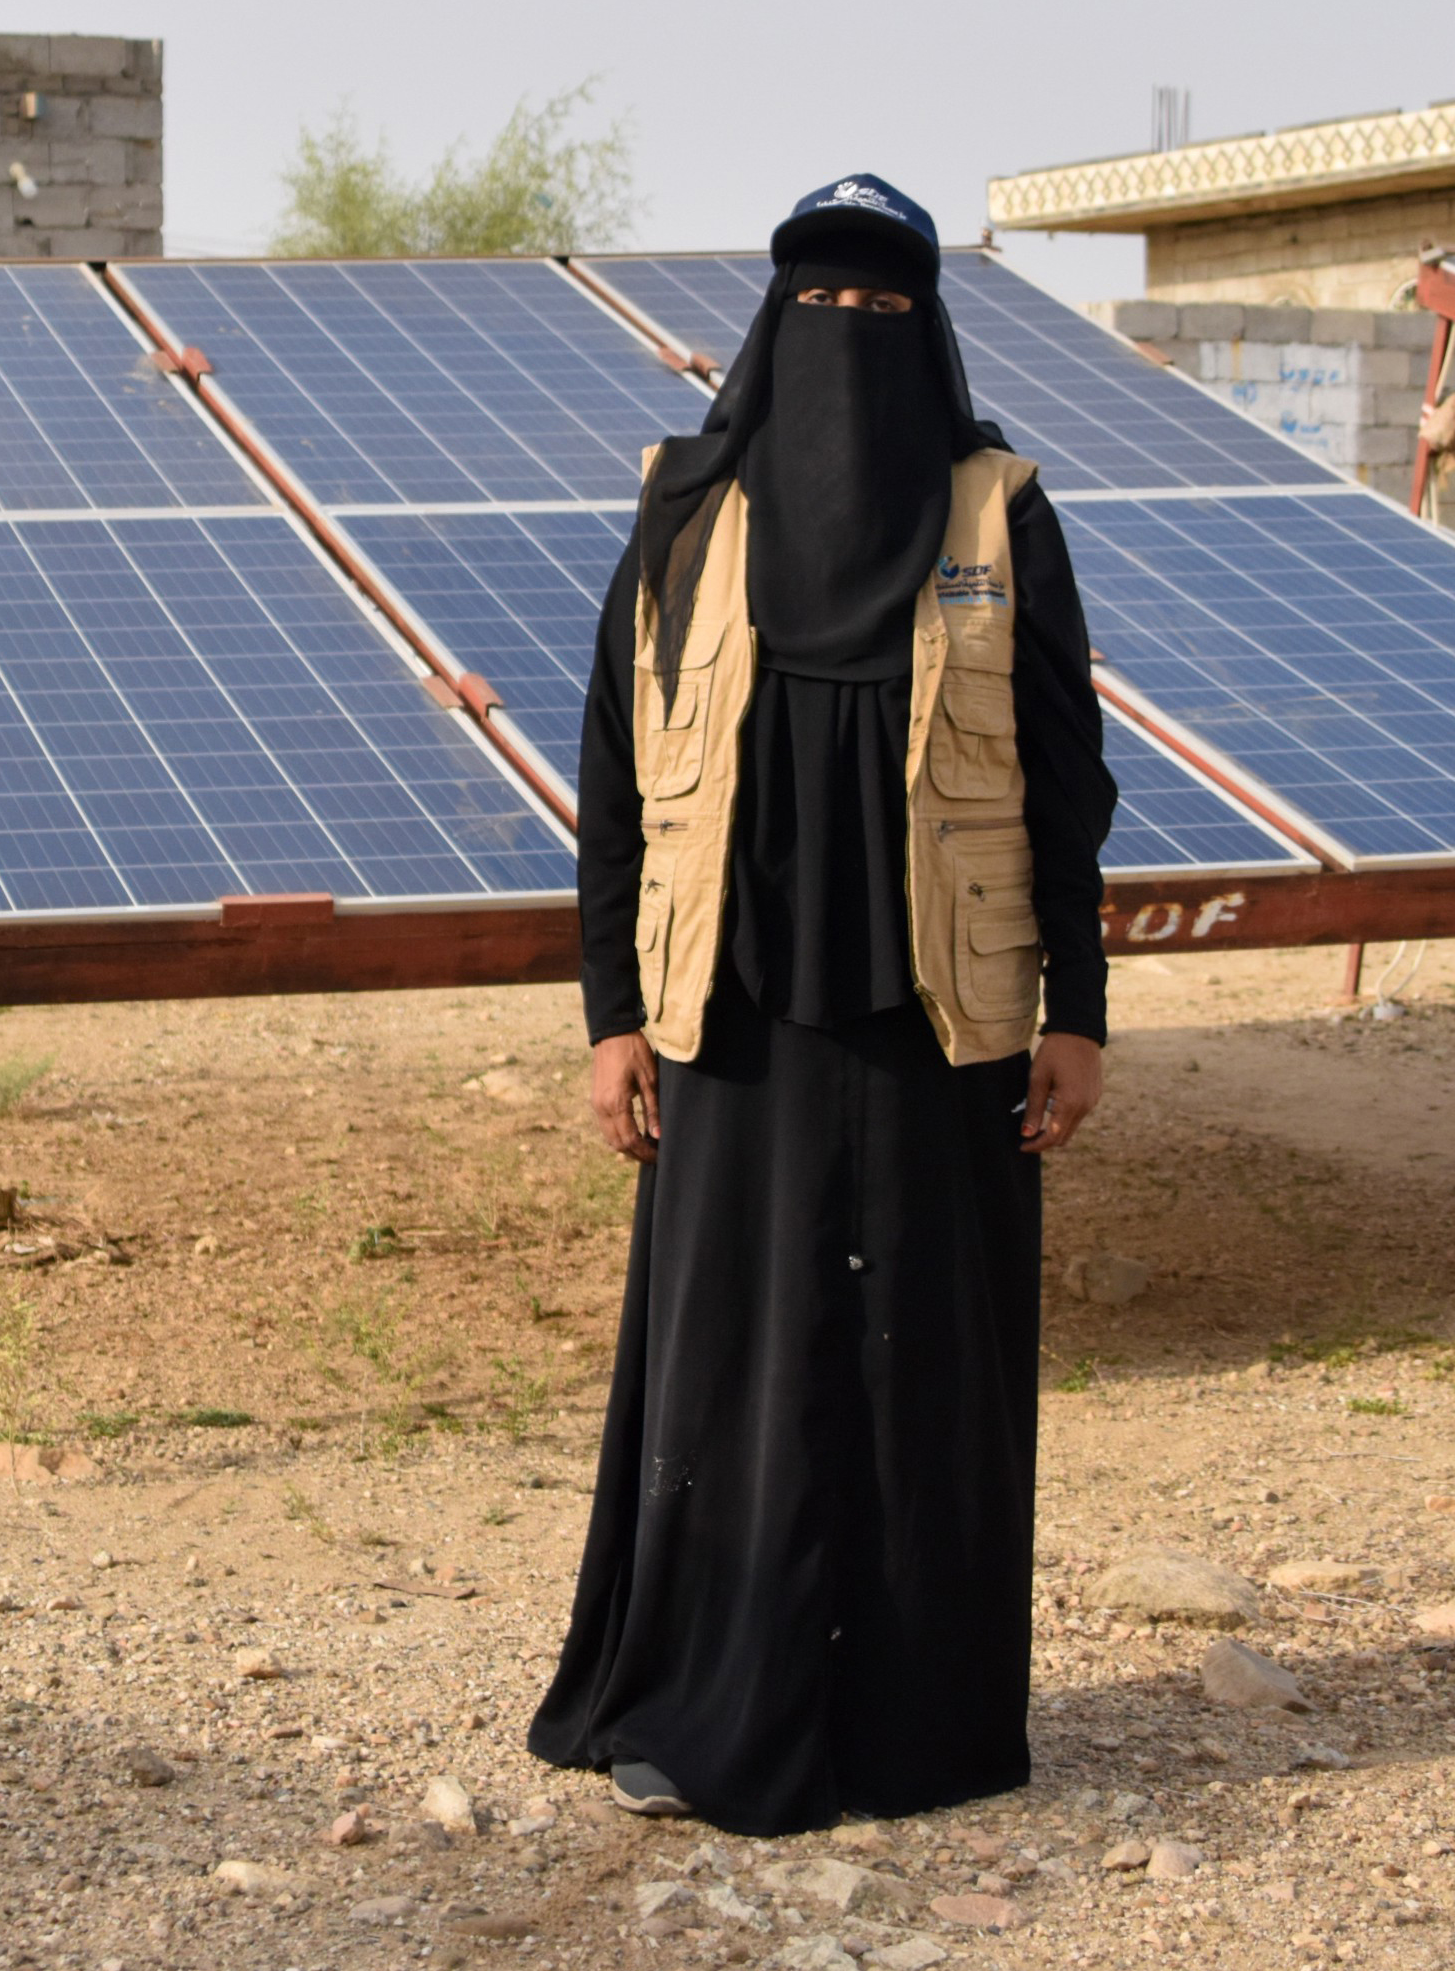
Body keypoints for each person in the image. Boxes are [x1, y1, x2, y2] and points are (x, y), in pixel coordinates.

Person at [526, 175, 1118, 1837]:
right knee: (738, 1367)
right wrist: (607, 1013)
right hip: (734, 1022)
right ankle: (703, 1697)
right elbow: (613, 781)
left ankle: (915, 1724)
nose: (845, 334)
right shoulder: (683, 510)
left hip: (952, 1027)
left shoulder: (1001, 512)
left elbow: (1069, 784)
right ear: (770, 327)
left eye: (879, 305)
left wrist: (1078, 1006)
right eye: (818, 302)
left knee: (923, 1366)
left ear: (924, 331)